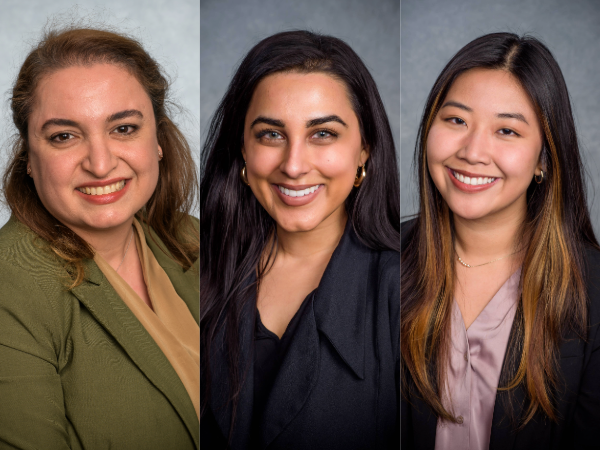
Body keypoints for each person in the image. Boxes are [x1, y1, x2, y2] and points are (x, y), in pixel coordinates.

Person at [0, 26, 199, 449]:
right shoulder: (9, 285)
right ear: (29, 160)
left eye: (123, 128)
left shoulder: (192, 238)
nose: (101, 163)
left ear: (158, 140)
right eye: (64, 136)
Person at [200, 30, 400, 449]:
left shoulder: (402, 286)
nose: (293, 165)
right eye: (271, 134)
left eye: (322, 134)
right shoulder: (195, 266)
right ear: (242, 148)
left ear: (364, 149)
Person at [401, 32, 600, 450]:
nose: (473, 151)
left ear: (544, 160)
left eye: (506, 131)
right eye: (456, 120)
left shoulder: (594, 290)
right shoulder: (381, 260)